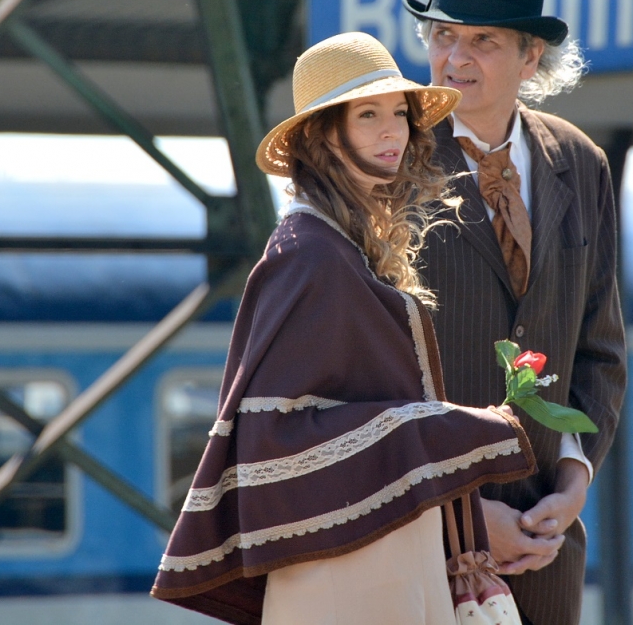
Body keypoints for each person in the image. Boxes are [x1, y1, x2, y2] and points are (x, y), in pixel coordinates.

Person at [151, 31, 536, 624]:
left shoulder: (340, 244)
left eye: (399, 115)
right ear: (323, 135)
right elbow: (271, 440)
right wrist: (442, 431)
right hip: (345, 572)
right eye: (367, 115)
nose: (392, 132)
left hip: (378, 554)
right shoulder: (309, 253)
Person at [403, 0, 627, 625]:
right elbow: (362, 377)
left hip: (540, 545)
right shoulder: (386, 164)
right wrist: (464, 517)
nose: (454, 59)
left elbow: (598, 345)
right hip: (412, 541)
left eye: (482, 41)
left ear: (532, 55)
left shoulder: (579, 163)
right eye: (443, 35)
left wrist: (574, 476)